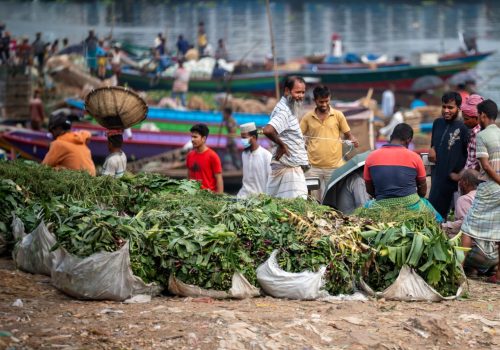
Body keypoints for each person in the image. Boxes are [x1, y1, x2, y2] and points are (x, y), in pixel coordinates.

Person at [364, 123, 442, 221]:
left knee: (364, 209)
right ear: (409, 140)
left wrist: (385, 198)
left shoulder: (371, 157)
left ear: (391, 137)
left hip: (381, 204)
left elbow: (369, 189)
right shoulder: (415, 157)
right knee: (437, 219)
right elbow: (422, 191)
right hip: (411, 204)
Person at [461, 99, 500, 283]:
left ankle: (459, 272)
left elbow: (485, 166)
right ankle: (498, 275)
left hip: (490, 188)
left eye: (479, 116)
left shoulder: (482, 136)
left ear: (483, 116)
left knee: (468, 228)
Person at [300, 85, 359, 201]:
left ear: (330, 98)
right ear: (315, 100)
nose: (324, 104)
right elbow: (298, 136)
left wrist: (353, 140)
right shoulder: (307, 117)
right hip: (313, 168)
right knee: (312, 200)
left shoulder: (338, 115)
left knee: (333, 199)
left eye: (326, 101)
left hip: (334, 167)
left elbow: (348, 134)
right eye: (320, 102)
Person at [263, 76, 309, 199]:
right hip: (288, 168)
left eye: (303, 92)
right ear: (287, 91)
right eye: (297, 92)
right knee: (297, 204)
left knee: (281, 205)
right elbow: (268, 130)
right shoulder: (284, 111)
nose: (301, 96)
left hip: (288, 166)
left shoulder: (289, 107)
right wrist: (282, 145)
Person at [428, 92, 469, 219]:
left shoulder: (464, 127)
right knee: (434, 217)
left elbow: (470, 156)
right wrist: (432, 149)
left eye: (450, 108)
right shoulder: (437, 123)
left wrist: (461, 174)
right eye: (444, 107)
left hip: (454, 183)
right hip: (437, 179)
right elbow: (435, 144)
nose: (446, 110)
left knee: (453, 218)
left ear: (459, 108)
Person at [42, 109, 96, 176]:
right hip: (91, 177)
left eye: (51, 131)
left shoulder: (58, 144)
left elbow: (44, 167)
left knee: (55, 169)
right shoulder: (80, 139)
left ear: (58, 128)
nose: (52, 134)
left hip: (77, 181)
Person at [237, 122, 272, 198]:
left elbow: (271, 180)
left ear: (253, 137)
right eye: (241, 137)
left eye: (244, 137)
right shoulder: (244, 154)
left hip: (259, 198)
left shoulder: (266, 156)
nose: (243, 140)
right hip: (242, 196)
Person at [186, 123, 223, 193]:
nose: (192, 140)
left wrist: (219, 198)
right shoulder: (189, 155)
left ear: (204, 138)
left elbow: (219, 179)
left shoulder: (213, 156)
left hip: (208, 197)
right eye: (192, 137)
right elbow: (188, 176)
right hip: (192, 196)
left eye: (195, 137)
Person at [442, 169, 480, 236]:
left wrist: (445, 225)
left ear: (466, 182)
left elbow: (464, 223)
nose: (459, 183)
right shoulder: (482, 195)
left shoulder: (464, 199)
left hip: (471, 239)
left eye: (460, 180)